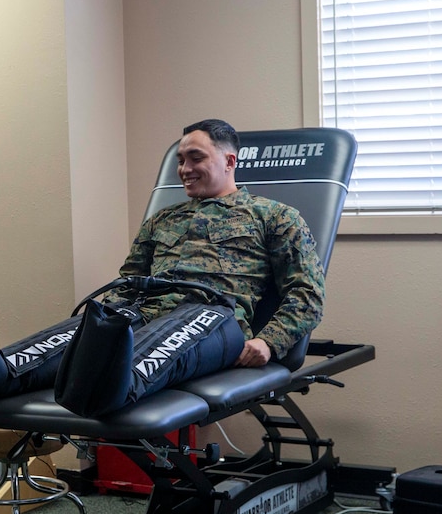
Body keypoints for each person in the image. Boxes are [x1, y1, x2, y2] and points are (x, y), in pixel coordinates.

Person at [117, 118, 325, 367]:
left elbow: (307, 295)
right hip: (145, 319)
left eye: (196, 158)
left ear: (229, 162)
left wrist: (268, 341)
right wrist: (104, 322)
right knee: (70, 345)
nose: (185, 169)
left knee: (116, 371)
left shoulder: (275, 217)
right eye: (181, 161)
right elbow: (126, 285)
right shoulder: (162, 219)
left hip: (209, 322)